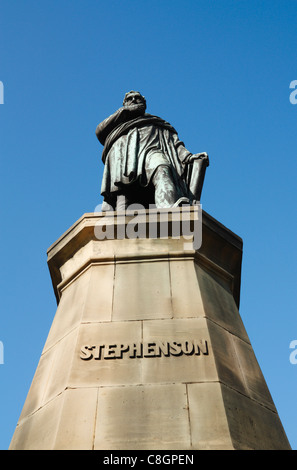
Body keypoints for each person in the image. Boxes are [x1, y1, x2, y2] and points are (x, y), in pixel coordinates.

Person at [95, 90, 209, 210]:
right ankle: (120, 222)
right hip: (123, 159)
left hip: (152, 152)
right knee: (124, 199)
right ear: (124, 104)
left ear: (144, 103)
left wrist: (188, 157)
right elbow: (100, 132)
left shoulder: (156, 123)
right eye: (130, 99)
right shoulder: (118, 123)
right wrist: (125, 111)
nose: (134, 100)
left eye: (137, 98)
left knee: (162, 167)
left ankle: (168, 207)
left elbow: (175, 144)